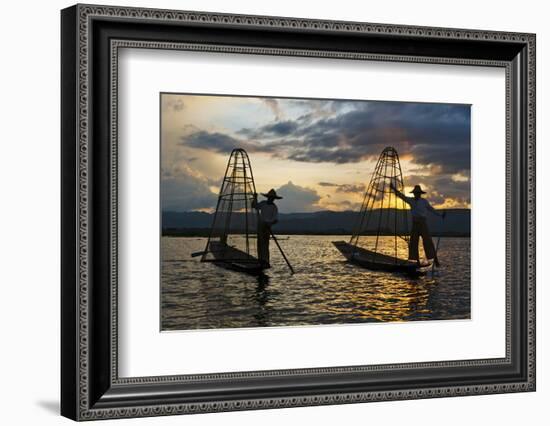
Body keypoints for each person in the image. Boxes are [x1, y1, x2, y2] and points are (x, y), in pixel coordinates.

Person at [389, 183, 445, 267]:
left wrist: (440, 215)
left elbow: (431, 209)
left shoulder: (424, 201)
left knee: (428, 241)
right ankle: (417, 261)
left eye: (418, 193)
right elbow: (401, 196)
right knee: (413, 242)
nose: (417, 194)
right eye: (416, 193)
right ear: (414, 193)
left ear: (420, 194)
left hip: (423, 223)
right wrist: (394, 189)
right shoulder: (411, 200)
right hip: (415, 223)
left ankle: (436, 260)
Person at [252, 189, 282, 268]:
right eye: (270, 197)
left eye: (272, 198)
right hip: (260, 226)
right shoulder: (263, 203)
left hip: (267, 227)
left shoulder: (274, 208)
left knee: (265, 244)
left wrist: (269, 224)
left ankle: (265, 260)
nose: (271, 199)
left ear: (274, 199)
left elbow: (275, 220)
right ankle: (260, 259)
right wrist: (255, 198)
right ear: (268, 197)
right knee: (260, 243)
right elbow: (254, 206)